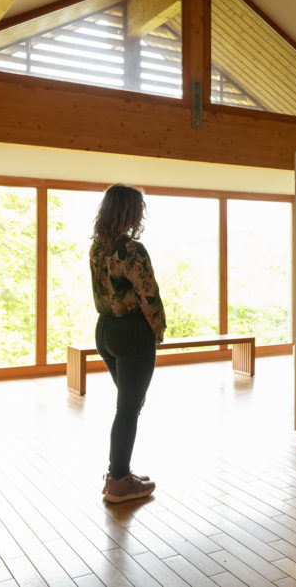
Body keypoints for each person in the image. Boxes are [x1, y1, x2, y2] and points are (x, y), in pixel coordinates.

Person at [89, 184, 166, 503]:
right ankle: (119, 479)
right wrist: (158, 328)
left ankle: (119, 472)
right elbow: (149, 294)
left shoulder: (98, 247)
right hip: (132, 332)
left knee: (128, 405)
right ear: (130, 211)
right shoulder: (132, 249)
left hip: (105, 329)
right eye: (139, 207)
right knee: (128, 409)